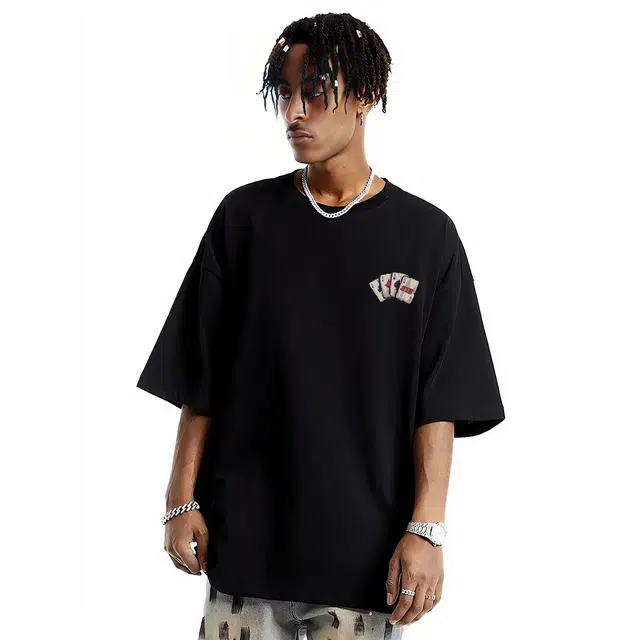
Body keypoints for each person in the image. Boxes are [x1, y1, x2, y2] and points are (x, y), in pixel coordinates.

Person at [136, 11, 505, 640]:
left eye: (315, 91)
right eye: (285, 92)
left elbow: (439, 400)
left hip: (364, 561)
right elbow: (202, 370)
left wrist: (427, 530)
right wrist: (180, 498)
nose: (294, 111)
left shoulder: (426, 237)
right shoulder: (244, 219)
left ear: (366, 96)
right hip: (245, 547)